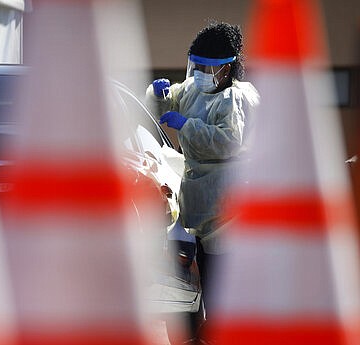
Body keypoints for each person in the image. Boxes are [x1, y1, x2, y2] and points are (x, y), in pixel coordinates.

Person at [146, 22, 260, 344]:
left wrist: (188, 126)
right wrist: (157, 94)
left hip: (226, 202)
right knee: (193, 285)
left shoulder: (235, 99)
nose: (198, 73)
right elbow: (168, 103)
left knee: (220, 284)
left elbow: (227, 142)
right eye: (195, 65)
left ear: (225, 69)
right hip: (198, 201)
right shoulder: (196, 88)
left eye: (205, 67)